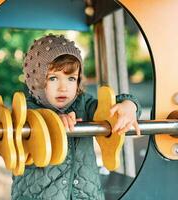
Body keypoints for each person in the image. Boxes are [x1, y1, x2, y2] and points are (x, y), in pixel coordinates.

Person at [11, 34, 141, 200]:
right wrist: (52, 122)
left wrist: (129, 105)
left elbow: (108, 109)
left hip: (87, 195)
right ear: (36, 79)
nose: (63, 87)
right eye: (53, 78)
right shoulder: (26, 110)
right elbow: (17, 137)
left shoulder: (83, 103)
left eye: (71, 78)